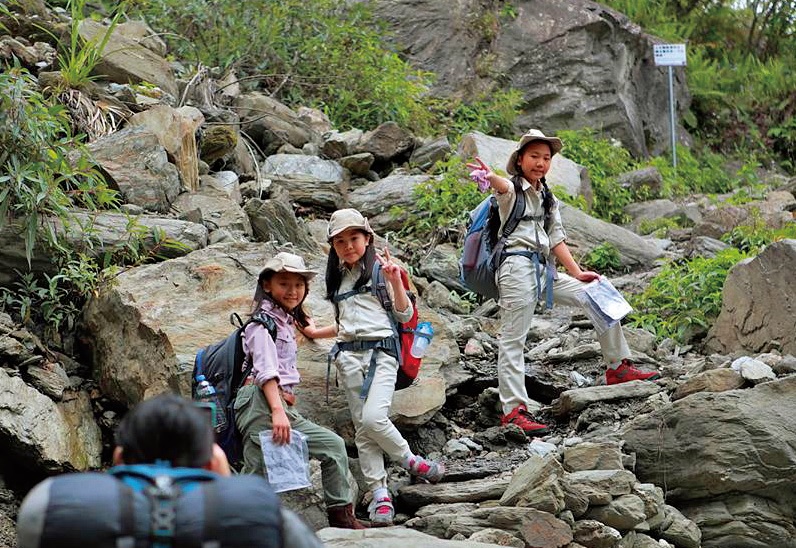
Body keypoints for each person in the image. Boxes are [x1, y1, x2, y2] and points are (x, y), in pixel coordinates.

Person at [466, 129, 660, 436]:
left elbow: (556, 238)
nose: (541, 163)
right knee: (514, 339)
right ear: (519, 160)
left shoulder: (547, 196)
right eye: (534, 156)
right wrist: (489, 176)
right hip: (516, 267)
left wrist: (577, 271)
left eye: (546, 158)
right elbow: (502, 188)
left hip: (544, 270)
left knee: (595, 293)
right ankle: (514, 411)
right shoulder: (513, 190)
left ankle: (617, 368)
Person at [17, 393, 324, 548]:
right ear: (210, 461)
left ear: (120, 458)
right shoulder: (263, 511)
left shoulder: (46, 505)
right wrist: (224, 483)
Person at [301, 208, 444, 527]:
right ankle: (380, 494)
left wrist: (395, 281)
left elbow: (405, 317)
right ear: (333, 246)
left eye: (354, 238)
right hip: (348, 359)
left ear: (367, 238)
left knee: (373, 417)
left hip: (381, 355)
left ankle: (412, 461)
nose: (348, 245)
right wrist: (314, 332)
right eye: (340, 241)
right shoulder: (337, 277)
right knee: (364, 432)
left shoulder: (383, 270)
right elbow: (345, 324)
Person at [233, 251, 366, 529]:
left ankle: (343, 520)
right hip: (261, 403)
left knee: (333, 446)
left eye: (298, 284)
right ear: (267, 285)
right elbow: (265, 370)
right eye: (284, 283)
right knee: (257, 470)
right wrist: (278, 410)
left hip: (279, 405)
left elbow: (308, 330)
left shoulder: (285, 319)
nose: (293, 291)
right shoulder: (261, 324)